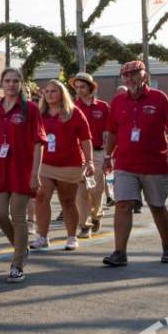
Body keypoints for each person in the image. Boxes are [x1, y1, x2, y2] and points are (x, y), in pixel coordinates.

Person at [102, 60, 168, 267]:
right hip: (125, 164)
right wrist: (107, 156)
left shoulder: (159, 98)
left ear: (144, 76)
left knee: (157, 206)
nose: (130, 79)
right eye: (126, 75)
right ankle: (119, 252)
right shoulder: (118, 101)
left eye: (134, 74)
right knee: (122, 205)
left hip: (154, 163)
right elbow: (112, 132)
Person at [0, 68, 45, 283]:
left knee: (19, 218)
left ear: (21, 83)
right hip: (0, 169)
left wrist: (35, 174)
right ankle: (21, 247)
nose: (11, 84)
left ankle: (17, 264)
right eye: (7, 80)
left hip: (22, 170)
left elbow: (38, 144)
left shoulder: (31, 110)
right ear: (1, 83)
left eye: (16, 81)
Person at [33, 79, 94, 252]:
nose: (50, 94)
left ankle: (71, 237)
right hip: (44, 164)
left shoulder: (74, 113)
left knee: (67, 201)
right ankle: (42, 237)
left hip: (69, 164)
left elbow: (85, 139)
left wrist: (89, 161)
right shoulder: (39, 114)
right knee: (42, 197)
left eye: (54, 91)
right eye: (47, 91)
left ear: (62, 94)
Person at [72, 72, 111, 237]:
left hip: (98, 152)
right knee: (81, 191)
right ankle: (84, 225)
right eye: (77, 87)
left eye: (83, 86)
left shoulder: (103, 107)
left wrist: (108, 155)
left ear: (91, 87)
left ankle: (96, 215)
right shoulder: (71, 107)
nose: (79, 90)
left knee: (96, 189)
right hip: (78, 154)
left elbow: (109, 133)